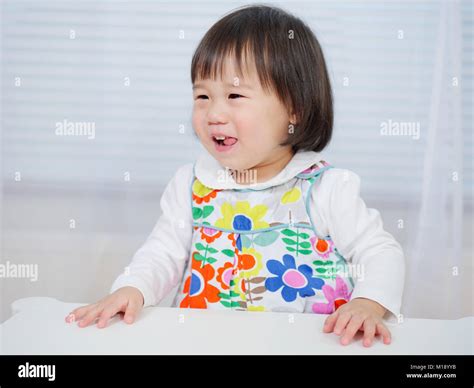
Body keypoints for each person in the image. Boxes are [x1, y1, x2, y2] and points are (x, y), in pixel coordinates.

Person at [66, 5, 405, 347]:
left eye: (234, 95)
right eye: (202, 96)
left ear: (294, 109)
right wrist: (132, 288)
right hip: (203, 343)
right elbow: (161, 253)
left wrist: (367, 303)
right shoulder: (191, 185)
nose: (213, 112)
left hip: (305, 346)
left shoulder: (326, 188)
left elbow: (379, 252)